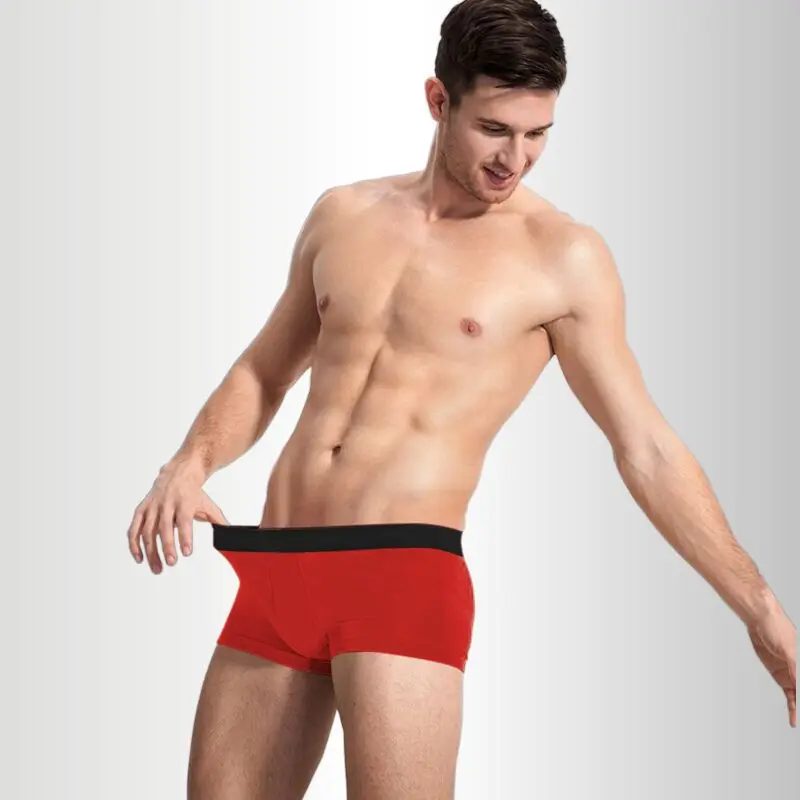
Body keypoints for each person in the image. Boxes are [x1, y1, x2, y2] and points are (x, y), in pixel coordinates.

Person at [127, 1, 796, 797]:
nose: (517, 159)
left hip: (401, 574)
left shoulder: (562, 257)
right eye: (494, 129)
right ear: (437, 100)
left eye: (538, 133)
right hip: (280, 563)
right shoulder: (343, 214)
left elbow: (643, 446)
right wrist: (189, 462)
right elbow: (263, 372)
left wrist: (758, 605)